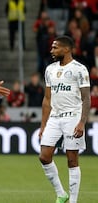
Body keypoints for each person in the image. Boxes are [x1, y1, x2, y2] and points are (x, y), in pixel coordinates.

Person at [39, 35, 90, 203]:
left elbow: (86, 98)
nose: (52, 50)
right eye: (52, 47)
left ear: (66, 49)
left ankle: (73, 201)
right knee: (44, 157)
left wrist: (82, 122)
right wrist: (43, 125)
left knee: (72, 159)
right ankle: (61, 193)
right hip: (54, 117)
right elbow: (47, 99)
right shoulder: (50, 69)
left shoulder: (79, 69)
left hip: (72, 118)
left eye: (55, 47)